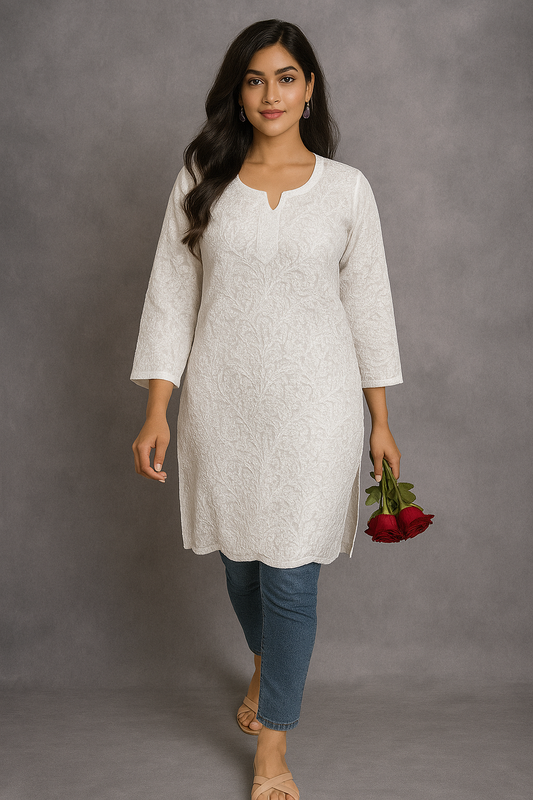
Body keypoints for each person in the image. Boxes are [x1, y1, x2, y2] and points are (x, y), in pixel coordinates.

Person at [131, 18, 402, 800]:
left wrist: (381, 422)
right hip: (222, 405)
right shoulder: (202, 176)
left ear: (309, 88)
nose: (270, 94)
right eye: (255, 80)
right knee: (242, 566)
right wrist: (157, 408)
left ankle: (273, 748)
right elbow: (170, 295)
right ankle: (263, 659)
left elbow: (369, 307)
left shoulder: (346, 190)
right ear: (238, 93)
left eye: (286, 78)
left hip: (317, 409)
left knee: (290, 576)